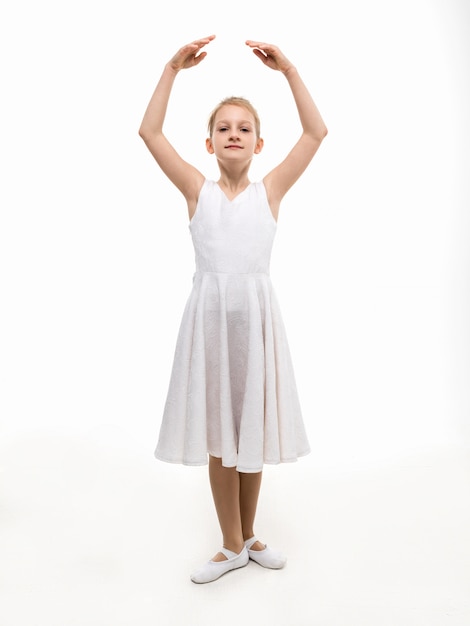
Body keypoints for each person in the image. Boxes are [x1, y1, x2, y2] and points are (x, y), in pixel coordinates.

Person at [139, 34, 327, 584]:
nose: (234, 134)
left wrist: (289, 70)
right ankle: (229, 544)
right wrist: (172, 69)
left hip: (257, 323)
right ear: (209, 143)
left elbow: (316, 133)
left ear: (260, 144)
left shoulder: (270, 192)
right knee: (222, 435)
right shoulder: (197, 191)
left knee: (252, 432)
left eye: (245, 128)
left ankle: (248, 535)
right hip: (211, 326)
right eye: (224, 128)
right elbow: (149, 133)